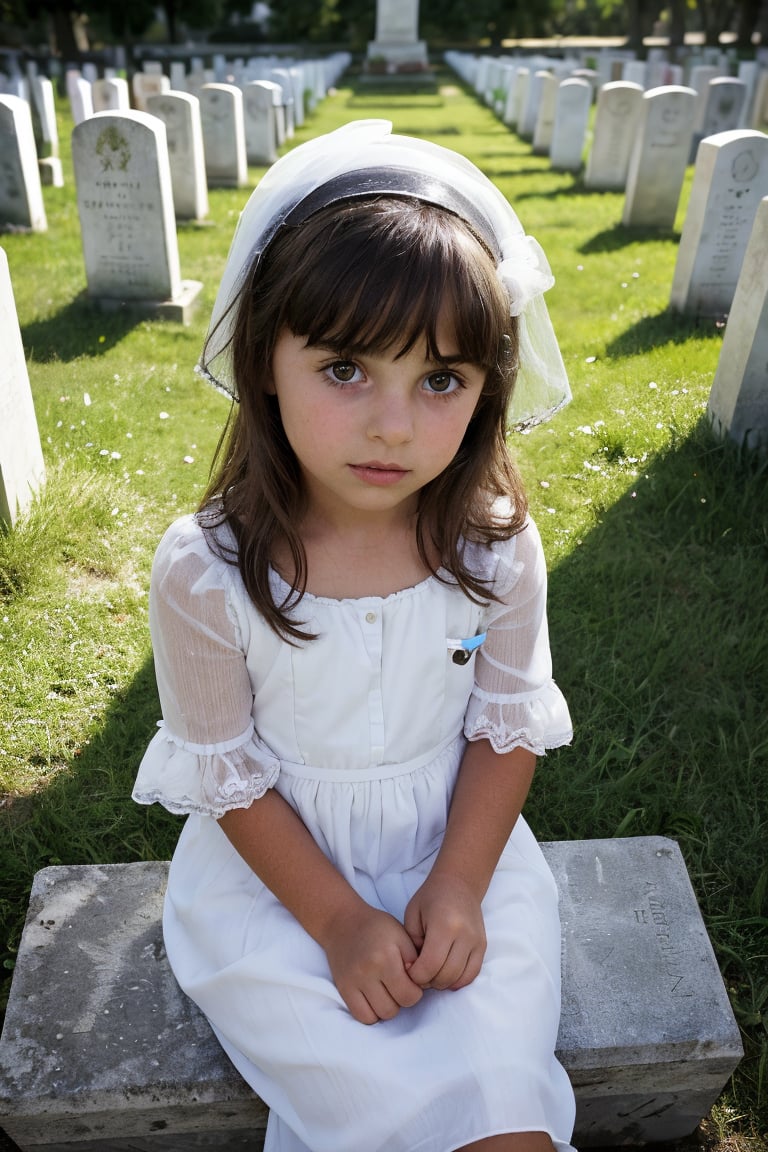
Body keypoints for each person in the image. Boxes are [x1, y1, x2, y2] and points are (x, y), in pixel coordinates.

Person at [133, 120, 576, 1152]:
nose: (392, 424)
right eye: (344, 369)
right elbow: (230, 773)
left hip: (458, 849)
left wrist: (460, 883)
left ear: (488, 388)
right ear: (265, 363)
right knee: (376, 1107)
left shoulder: (496, 547)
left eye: (440, 380)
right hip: (277, 886)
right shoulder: (207, 568)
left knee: (499, 1108)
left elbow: (503, 729)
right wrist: (335, 922)